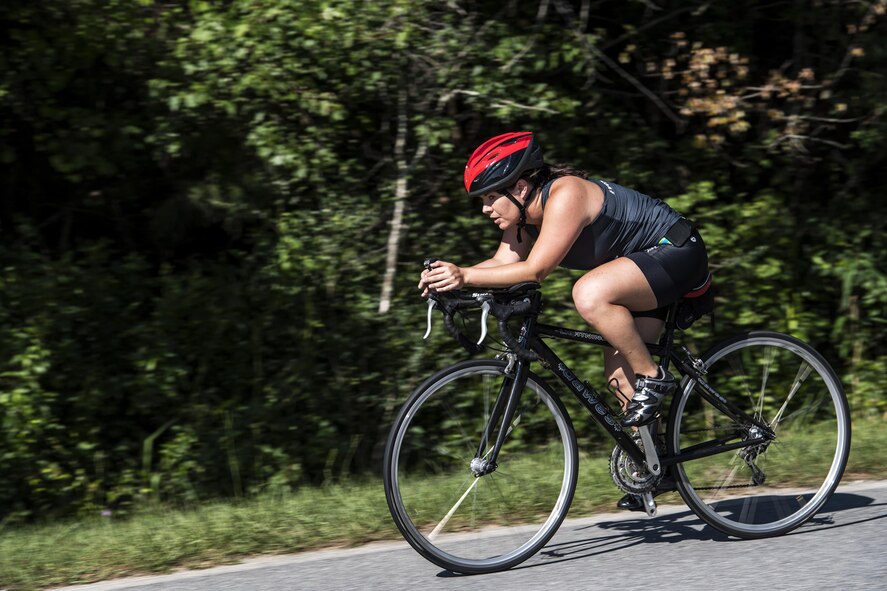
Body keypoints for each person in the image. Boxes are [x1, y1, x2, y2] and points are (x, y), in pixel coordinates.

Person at [417, 131, 710, 510]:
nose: (486, 208)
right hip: (637, 272)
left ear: (520, 187)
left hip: (676, 252)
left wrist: (465, 276)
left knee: (588, 293)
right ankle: (656, 469)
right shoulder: (522, 219)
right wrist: (450, 278)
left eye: (491, 197)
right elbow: (503, 266)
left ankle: (655, 379)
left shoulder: (566, 193)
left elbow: (534, 270)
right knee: (621, 378)